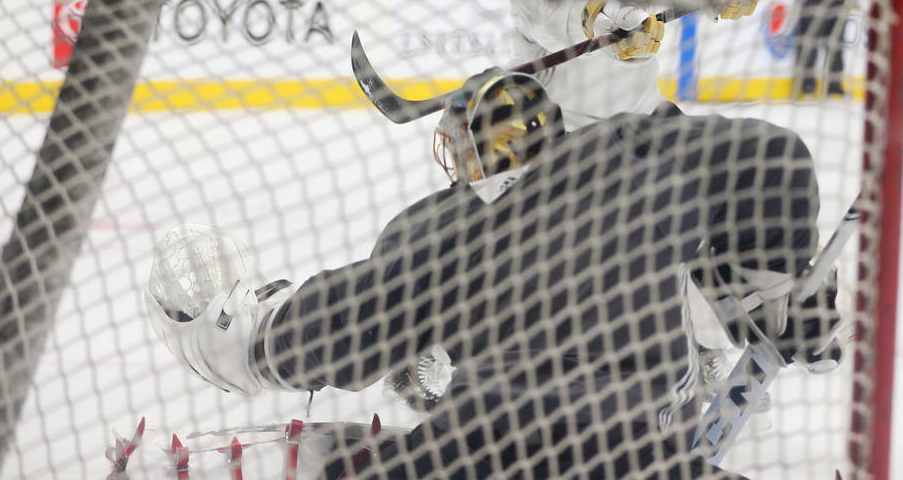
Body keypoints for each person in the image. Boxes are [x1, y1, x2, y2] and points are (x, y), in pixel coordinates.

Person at [146, 70, 842, 478]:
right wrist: (774, 288)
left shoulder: (444, 229)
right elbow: (774, 154)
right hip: (652, 446)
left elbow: (350, 323)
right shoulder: (638, 154)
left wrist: (260, 343)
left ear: (479, 154)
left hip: (494, 446)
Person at [502, 0, 765, 398]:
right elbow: (554, 15)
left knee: (715, 202)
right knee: (628, 251)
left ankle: (714, 345)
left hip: (642, 113)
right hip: (562, 131)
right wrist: (609, 17)